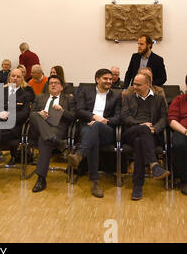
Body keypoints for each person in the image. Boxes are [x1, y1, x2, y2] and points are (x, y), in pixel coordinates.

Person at [67, 69, 122, 198]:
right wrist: (94, 117)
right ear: (97, 79)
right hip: (88, 128)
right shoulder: (86, 91)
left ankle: (80, 154)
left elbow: (119, 117)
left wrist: (103, 121)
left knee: (96, 127)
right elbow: (79, 110)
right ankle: (95, 181)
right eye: (105, 78)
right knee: (93, 139)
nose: (109, 81)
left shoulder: (116, 96)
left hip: (106, 130)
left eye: (110, 79)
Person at [0, 68, 34, 187]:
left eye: (18, 77)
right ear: (9, 78)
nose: (15, 78)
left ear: (22, 79)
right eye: (13, 76)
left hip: (13, 129)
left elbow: (25, 115)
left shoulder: (25, 95)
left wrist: (8, 115)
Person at [121, 73, 170, 200]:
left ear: (148, 84)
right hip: (131, 132)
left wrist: (155, 128)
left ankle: (137, 186)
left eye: (138, 84)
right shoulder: (129, 97)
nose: (134, 86)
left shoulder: (159, 99)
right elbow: (125, 116)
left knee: (139, 143)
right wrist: (141, 124)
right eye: (134, 84)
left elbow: (164, 118)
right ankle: (154, 165)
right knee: (141, 131)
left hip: (150, 135)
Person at [29, 75, 76, 193]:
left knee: (44, 140)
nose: (53, 85)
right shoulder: (40, 97)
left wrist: (62, 111)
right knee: (35, 114)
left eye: (56, 83)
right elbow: (31, 115)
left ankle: (41, 179)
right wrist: (40, 113)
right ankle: (58, 143)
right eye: (50, 83)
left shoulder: (68, 99)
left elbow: (73, 117)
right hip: (39, 127)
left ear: (61, 87)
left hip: (57, 128)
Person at [167, 75, 187, 195]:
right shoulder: (179, 100)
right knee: (179, 145)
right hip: (183, 130)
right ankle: (185, 180)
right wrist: (185, 131)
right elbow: (172, 120)